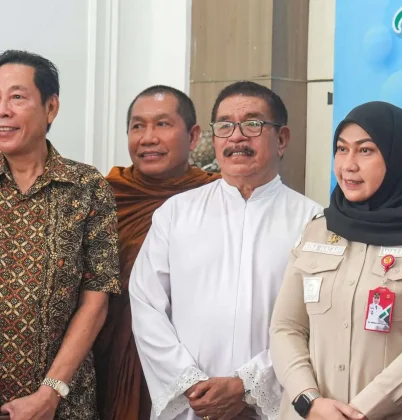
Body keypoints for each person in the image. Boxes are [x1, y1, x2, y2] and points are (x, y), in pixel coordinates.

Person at [269, 101, 402, 420]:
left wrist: (358, 413)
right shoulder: (317, 231)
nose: (348, 165)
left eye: (365, 151)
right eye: (342, 149)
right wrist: (308, 400)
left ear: (399, 159)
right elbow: (286, 327)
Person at [129, 81, 322, 420]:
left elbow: (318, 323)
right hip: (191, 405)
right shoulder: (175, 213)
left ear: (281, 139)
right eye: (225, 126)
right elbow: (146, 305)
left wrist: (247, 387)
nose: (236, 137)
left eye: (252, 124)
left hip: (274, 407)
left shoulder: (313, 222)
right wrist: (191, 384)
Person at [0, 50, 120, 419]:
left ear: (50, 107)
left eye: (16, 97)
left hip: (63, 402)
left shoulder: (87, 187)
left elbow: (96, 300)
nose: (3, 111)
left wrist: (49, 392)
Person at [94, 85, 220, 420]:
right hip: (108, 355)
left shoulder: (219, 199)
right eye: (138, 126)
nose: (148, 138)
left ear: (193, 136)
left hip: (193, 362)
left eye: (162, 124)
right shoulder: (104, 197)